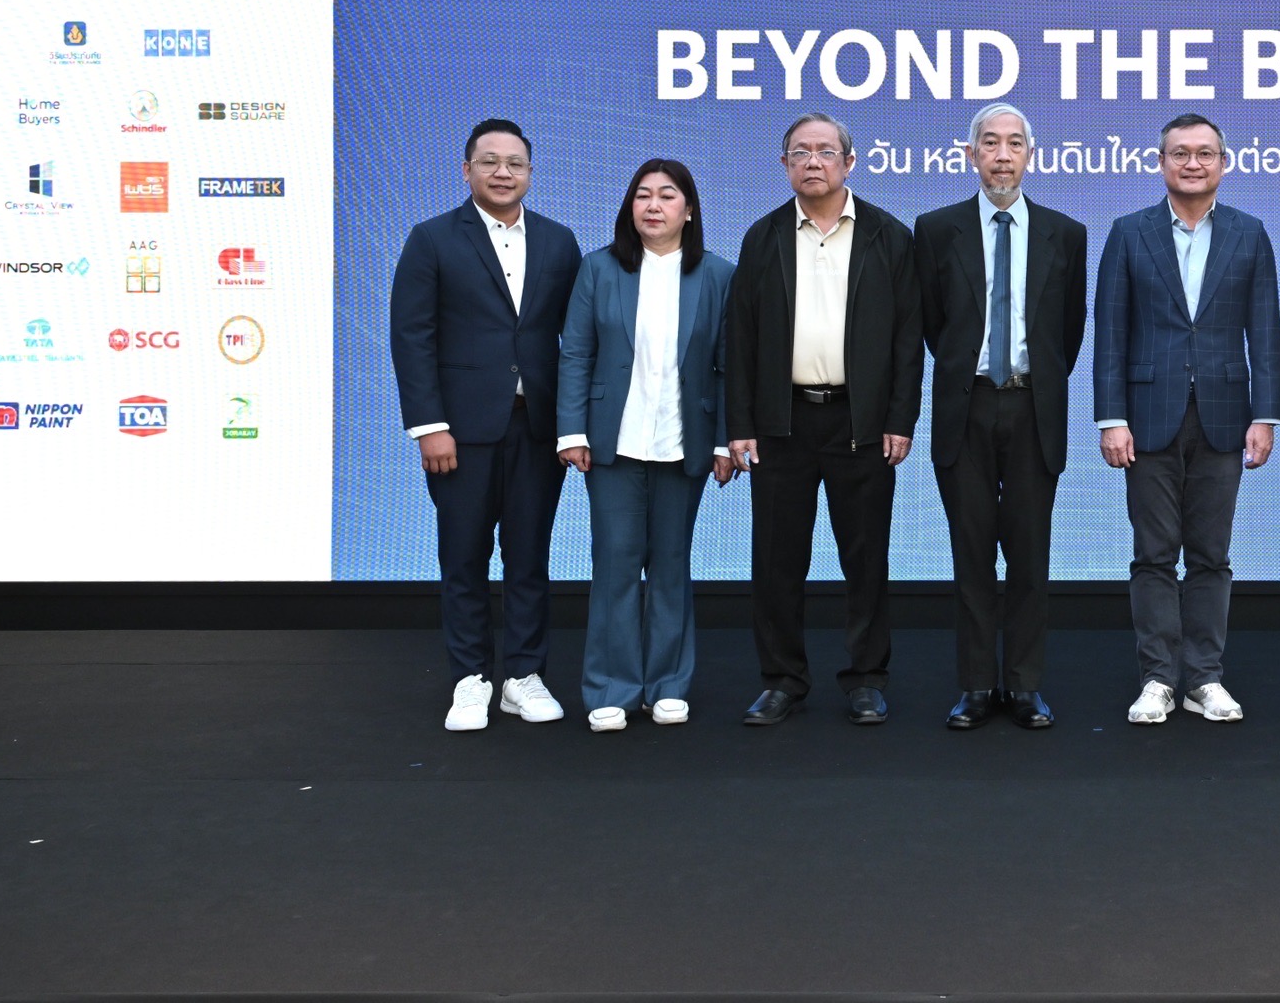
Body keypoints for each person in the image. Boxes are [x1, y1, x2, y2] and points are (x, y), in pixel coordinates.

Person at [723, 113, 922, 726]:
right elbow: (740, 337)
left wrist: (901, 418)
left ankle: (866, 678)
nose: (813, 161)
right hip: (780, 422)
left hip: (860, 423)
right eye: (800, 152)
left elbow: (908, 339)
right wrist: (739, 423)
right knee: (777, 559)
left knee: (865, 557)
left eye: (826, 151)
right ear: (784, 164)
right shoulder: (763, 237)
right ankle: (782, 680)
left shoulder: (888, 236)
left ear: (850, 162)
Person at [390, 118, 584, 732]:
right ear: (467, 169)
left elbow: (575, 339)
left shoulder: (559, 241)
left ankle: (523, 677)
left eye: (515, 163)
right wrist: (429, 425)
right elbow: (412, 337)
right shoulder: (432, 238)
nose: (503, 172)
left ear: (530, 172)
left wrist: (573, 425)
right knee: (464, 557)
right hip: (459, 434)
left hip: (538, 429)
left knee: (529, 558)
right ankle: (470, 679)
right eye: (490, 161)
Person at [1094, 112, 1280, 726]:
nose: (1193, 163)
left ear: (1223, 163)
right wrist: (1110, 418)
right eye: (1180, 153)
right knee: (1153, 554)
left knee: (1210, 555)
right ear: (1161, 163)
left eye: (1205, 153)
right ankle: (1157, 679)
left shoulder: (1249, 233)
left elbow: (1266, 334)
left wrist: (1266, 415)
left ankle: (1204, 678)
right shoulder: (1129, 232)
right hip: (1147, 416)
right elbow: (1110, 333)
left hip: (1225, 416)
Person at [913, 103, 1088, 730]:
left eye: (1015, 143)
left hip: (1033, 406)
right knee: (971, 554)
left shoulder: (1065, 233)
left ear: (1031, 155)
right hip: (967, 407)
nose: (1003, 155)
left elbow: (1067, 332)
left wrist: (1029, 380)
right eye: (990, 143)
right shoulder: (937, 229)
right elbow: (933, 324)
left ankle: (1025, 685)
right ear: (971, 155)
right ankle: (976, 685)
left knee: (1029, 554)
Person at [554, 159, 736, 732]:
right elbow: (575, 352)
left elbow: (729, 366)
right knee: (614, 563)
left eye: (667, 195)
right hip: (613, 443)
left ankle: (667, 685)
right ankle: (612, 687)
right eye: (642, 195)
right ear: (629, 207)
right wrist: (571, 430)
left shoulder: (718, 275)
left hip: (686, 443)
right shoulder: (598, 268)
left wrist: (725, 442)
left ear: (690, 209)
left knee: (671, 564)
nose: (653, 206)